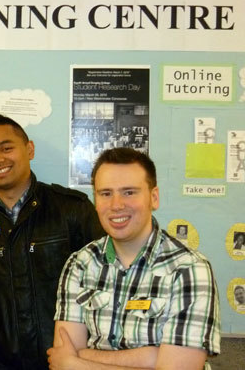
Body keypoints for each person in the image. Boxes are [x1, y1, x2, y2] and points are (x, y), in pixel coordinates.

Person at [49, 147, 221, 370]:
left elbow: (68, 363)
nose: (116, 205)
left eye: (129, 192)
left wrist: (79, 363)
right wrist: (151, 357)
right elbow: (63, 357)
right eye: (106, 193)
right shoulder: (80, 264)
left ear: (154, 197)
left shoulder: (190, 270)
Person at [0, 114, 104, 369]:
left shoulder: (72, 209)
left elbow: (107, 280)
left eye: (7, 148)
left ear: (29, 149)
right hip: (6, 363)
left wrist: (83, 343)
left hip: (73, 362)